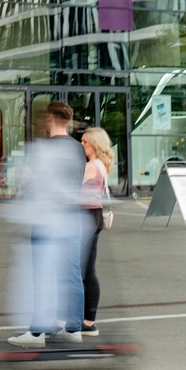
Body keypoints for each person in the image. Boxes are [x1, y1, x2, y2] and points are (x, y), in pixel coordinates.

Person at [8, 101, 88, 349]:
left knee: (41, 276)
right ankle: (74, 329)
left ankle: (36, 333)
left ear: (51, 117)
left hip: (47, 218)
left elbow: (24, 178)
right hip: (73, 218)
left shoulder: (43, 148)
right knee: (71, 274)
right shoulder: (78, 148)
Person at [79, 127, 114, 337]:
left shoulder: (92, 167)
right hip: (93, 217)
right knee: (86, 269)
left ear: (95, 144)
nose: (81, 145)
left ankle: (89, 321)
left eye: (85, 142)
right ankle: (87, 320)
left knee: (85, 271)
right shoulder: (100, 165)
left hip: (86, 217)